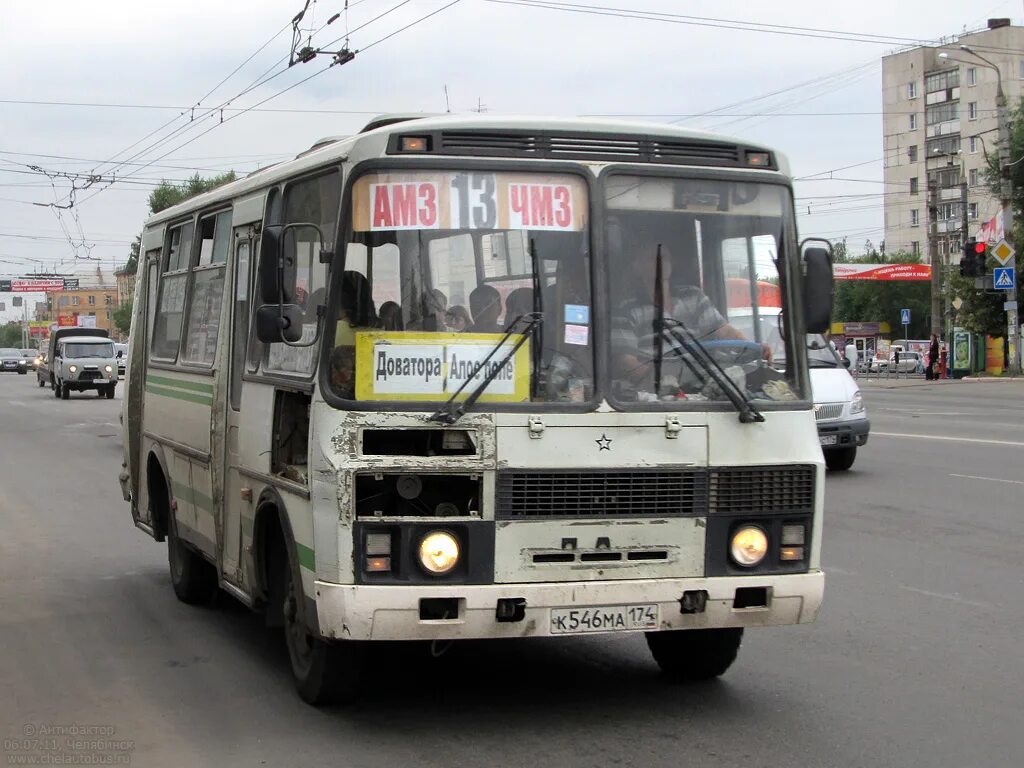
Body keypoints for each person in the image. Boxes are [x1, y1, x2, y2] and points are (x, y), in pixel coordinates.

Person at [611, 240, 771, 394]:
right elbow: (626, 363)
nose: (660, 262)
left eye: (664, 257)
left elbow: (723, 331)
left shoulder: (693, 296)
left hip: (703, 383)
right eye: (651, 258)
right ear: (636, 267)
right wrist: (662, 384)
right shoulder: (626, 309)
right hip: (658, 392)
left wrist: (751, 346)